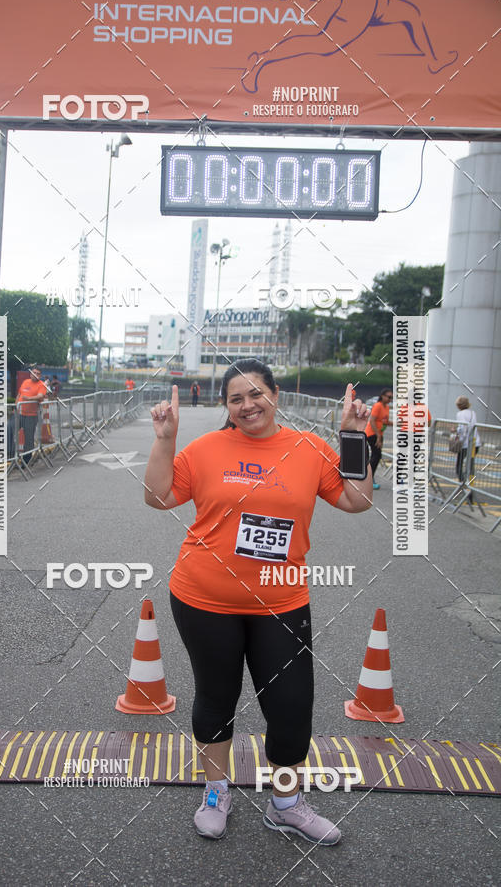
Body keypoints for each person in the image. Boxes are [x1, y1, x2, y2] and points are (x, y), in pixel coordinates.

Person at [144, 359, 372, 844]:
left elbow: (357, 500)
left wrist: (354, 437)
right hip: (204, 597)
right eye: (236, 399)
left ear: (275, 395)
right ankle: (215, 793)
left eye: (256, 394)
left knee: (291, 706)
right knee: (215, 698)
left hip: (281, 601)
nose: (248, 405)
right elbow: (157, 497)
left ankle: (286, 804)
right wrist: (166, 439)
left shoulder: (309, 448)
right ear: (226, 406)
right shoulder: (206, 449)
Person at [241, 0, 458, 94]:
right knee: (321, 44)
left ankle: (434, 61)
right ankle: (261, 60)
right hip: (360, 2)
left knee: (411, 14)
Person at [15, 366, 47, 465]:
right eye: (34, 372)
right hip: (20, 413)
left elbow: (40, 396)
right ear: (30, 374)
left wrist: (29, 399)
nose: (35, 375)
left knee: (28, 439)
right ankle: (11, 456)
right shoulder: (25, 382)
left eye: (38, 373)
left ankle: (26, 461)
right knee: (9, 430)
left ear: (40, 376)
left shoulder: (41, 385)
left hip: (31, 415)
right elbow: (19, 395)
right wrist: (15, 406)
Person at [453, 396, 481, 500]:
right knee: (470, 468)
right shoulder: (473, 413)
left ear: (459, 405)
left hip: (465, 444)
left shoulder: (460, 414)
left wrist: (458, 439)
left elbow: (462, 429)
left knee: (459, 467)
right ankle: (469, 489)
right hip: (475, 443)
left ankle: (465, 488)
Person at [365, 388, 392, 489]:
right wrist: (378, 436)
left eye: (391, 398)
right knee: (376, 455)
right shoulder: (378, 405)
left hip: (379, 434)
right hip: (373, 434)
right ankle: (369, 479)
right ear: (382, 396)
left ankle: (369, 477)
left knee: (376, 456)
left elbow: (385, 421)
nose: (390, 399)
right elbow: (372, 421)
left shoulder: (386, 407)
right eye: (389, 397)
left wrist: (400, 423)